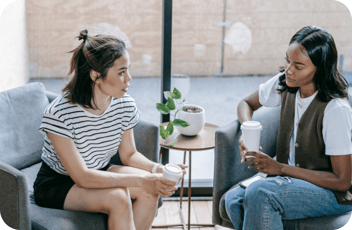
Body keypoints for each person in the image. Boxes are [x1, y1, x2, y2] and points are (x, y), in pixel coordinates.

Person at [33, 30, 187, 230]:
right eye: (121, 72)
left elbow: (129, 154)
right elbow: (82, 177)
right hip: (59, 183)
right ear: (96, 76)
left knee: (150, 191)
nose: (129, 78)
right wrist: (143, 179)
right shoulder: (59, 114)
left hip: (100, 169)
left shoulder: (124, 105)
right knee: (118, 198)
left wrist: (159, 170)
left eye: (128, 70)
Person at [225, 25, 352, 230]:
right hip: (286, 180)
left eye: (299, 66)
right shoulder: (287, 82)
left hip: (331, 194)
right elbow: (245, 103)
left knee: (260, 194)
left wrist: (280, 168)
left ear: (320, 69)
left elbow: (342, 181)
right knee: (232, 201)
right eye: (288, 61)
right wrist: (247, 130)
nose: (289, 70)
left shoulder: (335, 109)